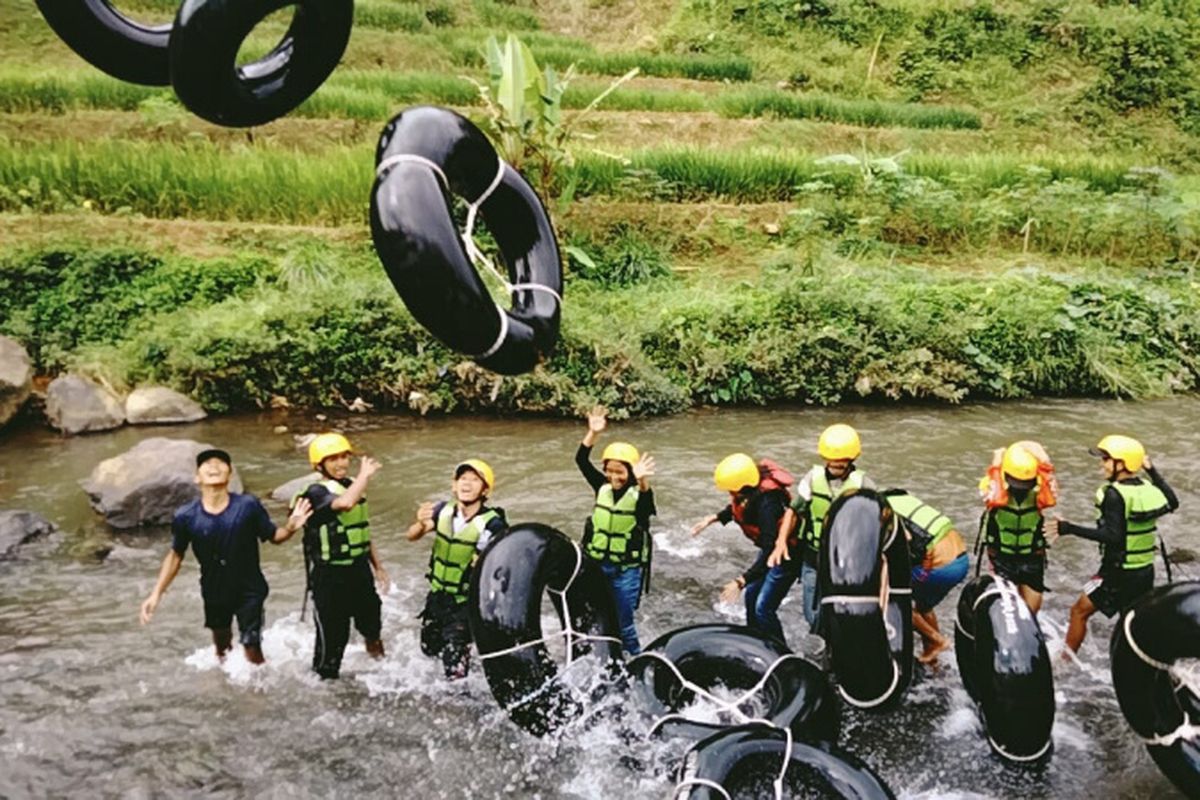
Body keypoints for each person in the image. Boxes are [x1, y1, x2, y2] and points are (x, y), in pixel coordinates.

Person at [140, 448, 312, 664]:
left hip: (250, 589)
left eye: (221, 463)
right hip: (214, 590)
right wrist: (156, 594)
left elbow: (274, 536)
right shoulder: (186, 516)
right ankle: (226, 690)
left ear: (230, 475)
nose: (214, 466)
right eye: (207, 464)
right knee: (222, 648)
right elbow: (176, 555)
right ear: (197, 477)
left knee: (252, 647)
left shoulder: (248, 506)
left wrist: (290, 527)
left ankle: (257, 694)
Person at [1050, 435, 1178, 655]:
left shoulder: (1114, 494)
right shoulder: (1146, 488)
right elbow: (1172, 501)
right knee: (1131, 620)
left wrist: (1069, 528)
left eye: (1107, 460)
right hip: (1144, 570)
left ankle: (1064, 663)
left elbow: (1113, 537)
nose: (1102, 465)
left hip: (1116, 572)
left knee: (1078, 611)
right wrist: (1151, 470)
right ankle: (1144, 663)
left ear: (1123, 464)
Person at [294, 433, 388, 680]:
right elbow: (344, 504)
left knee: (372, 629)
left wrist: (378, 567)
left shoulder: (351, 486)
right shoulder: (315, 492)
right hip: (329, 577)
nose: (341, 463)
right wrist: (364, 476)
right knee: (333, 641)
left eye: (344, 457)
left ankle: (382, 674)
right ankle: (326, 690)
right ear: (319, 465)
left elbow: (362, 532)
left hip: (359, 572)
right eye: (333, 459)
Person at [407, 459, 507, 678]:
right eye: (463, 479)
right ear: (454, 484)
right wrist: (421, 523)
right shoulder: (442, 510)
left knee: (455, 670)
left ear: (485, 490)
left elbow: (500, 566)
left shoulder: (493, 524)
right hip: (437, 598)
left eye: (475, 480)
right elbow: (411, 536)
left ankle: (460, 703)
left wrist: (482, 560)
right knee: (429, 651)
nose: (467, 484)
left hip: (464, 604)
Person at [770, 423, 873, 632]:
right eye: (831, 460)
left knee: (843, 610)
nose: (835, 464)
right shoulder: (812, 479)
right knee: (811, 613)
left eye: (841, 461)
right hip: (813, 557)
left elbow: (876, 521)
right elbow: (793, 511)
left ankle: (837, 645)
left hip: (847, 560)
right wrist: (780, 543)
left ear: (852, 459)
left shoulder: (864, 484)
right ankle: (826, 638)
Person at [692, 453, 796, 646]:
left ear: (744, 485)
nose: (730, 493)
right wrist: (712, 519)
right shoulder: (750, 492)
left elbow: (770, 550)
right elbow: (736, 508)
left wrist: (741, 581)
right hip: (771, 551)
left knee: (763, 608)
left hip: (786, 554)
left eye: (732, 489)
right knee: (751, 596)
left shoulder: (768, 504)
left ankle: (780, 653)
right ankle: (755, 642)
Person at [576, 406, 655, 655]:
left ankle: (635, 661)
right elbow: (580, 460)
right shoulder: (601, 486)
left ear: (630, 472)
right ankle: (600, 659)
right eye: (609, 470)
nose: (613, 476)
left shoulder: (639, 494)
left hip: (625, 571)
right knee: (592, 619)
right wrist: (593, 433)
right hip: (597, 565)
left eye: (619, 471)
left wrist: (642, 479)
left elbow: (645, 504)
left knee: (623, 624)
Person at [881, 489, 968, 664]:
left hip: (940, 567)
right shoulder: (905, 501)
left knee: (895, 599)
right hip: (961, 560)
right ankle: (934, 657)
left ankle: (938, 640)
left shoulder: (882, 509)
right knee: (923, 606)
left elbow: (906, 536)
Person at [979, 442, 1054, 614]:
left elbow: (1049, 474)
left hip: (1023, 557)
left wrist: (999, 456)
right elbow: (1048, 469)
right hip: (1013, 558)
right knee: (1018, 613)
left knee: (1020, 613)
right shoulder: (991, 487)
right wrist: (998, 462)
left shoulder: (1040, 490)